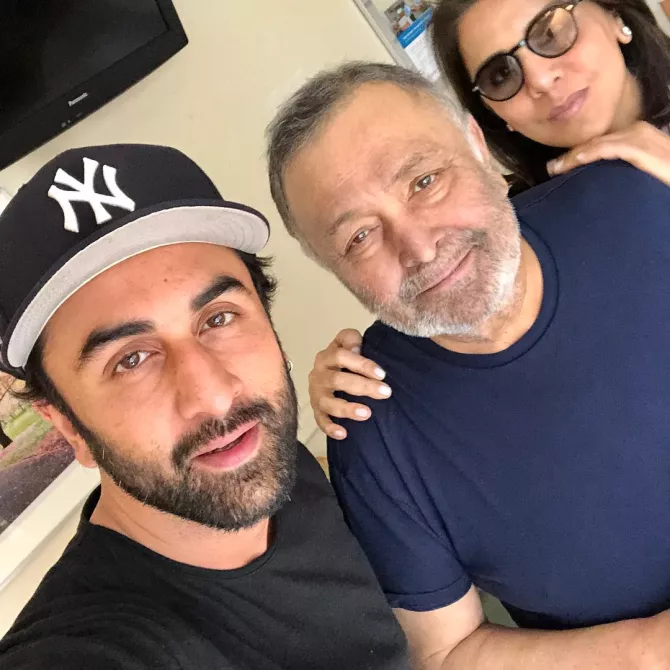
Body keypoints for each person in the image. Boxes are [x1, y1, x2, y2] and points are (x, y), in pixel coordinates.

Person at [266, 62, 670, 668]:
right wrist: (651, 650)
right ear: (334, 270)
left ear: (477, 146)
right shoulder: (371, 429)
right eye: (359, 237)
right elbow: (447, 650)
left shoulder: (642, 197)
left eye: (424, 181)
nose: (420, 247)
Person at [0, 144, 409, 670]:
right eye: (130, 360)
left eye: (218, 319)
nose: (214, 396)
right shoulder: (90, 648)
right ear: (68, 427)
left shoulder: (277, 467)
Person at [431, 0, 670, 191]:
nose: (541, 81)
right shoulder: (532, 225)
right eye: (501, 76)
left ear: (613, 15)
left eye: (550, 34)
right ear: (493, 112)